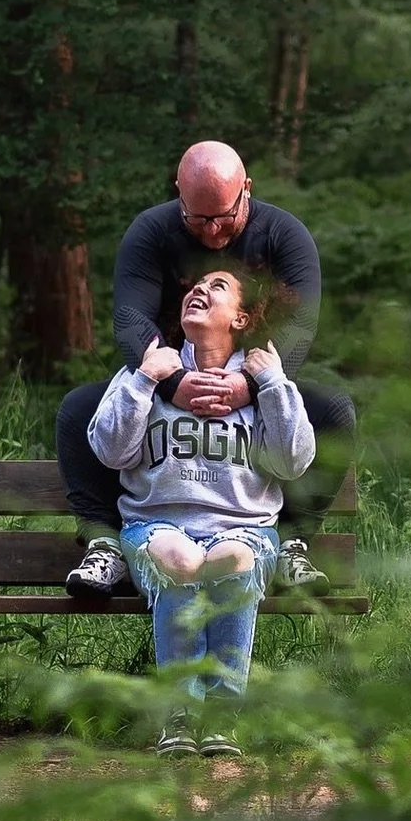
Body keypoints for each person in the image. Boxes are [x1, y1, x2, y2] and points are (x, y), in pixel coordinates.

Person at [55, 140, 354, 598]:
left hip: (257, 378)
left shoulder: (284, 234)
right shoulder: (151, 231)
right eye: (198, 218)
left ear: (246, 190)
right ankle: (105, 544)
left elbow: (301, 326)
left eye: (224, 217)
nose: (213, 232)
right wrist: (172, 383)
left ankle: (292, 544)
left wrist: (248, 386)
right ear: (179, 193)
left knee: (333, 411)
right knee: (78, 411)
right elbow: (130, 319)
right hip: (167, 373)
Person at [88, 266, 314, 758]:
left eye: (217, 287)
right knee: (179, 559)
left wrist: (272, 382)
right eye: (195, 285)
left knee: (233, 558)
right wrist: (147, 377)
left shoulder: (259, 382)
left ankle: (221, 717)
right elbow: (108, 449)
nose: (198, 290)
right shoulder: (148, 372)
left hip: (245, 529)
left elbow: (294, 462)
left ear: (242, 317)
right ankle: (179, 714)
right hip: (157, 525)